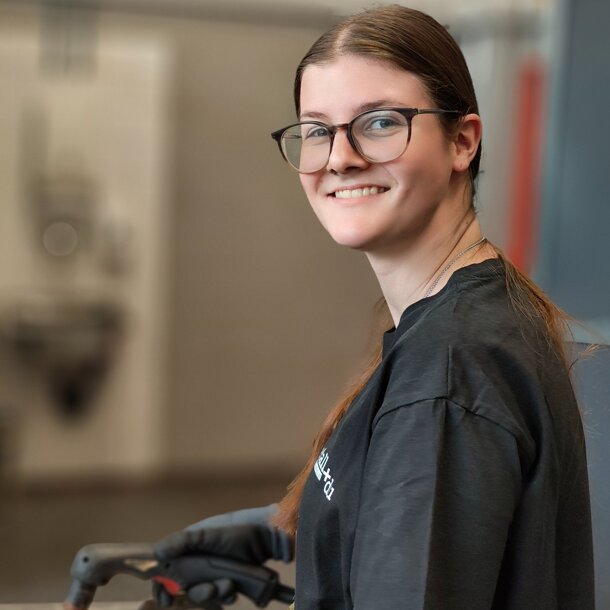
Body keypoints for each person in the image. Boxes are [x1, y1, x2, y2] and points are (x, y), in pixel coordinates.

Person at [152, 5, 594, 609]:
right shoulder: (473, 319)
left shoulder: (448, 371)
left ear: (462, 141)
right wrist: (285, 532)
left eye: (380, 122)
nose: (340, 158)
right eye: (317, 130)